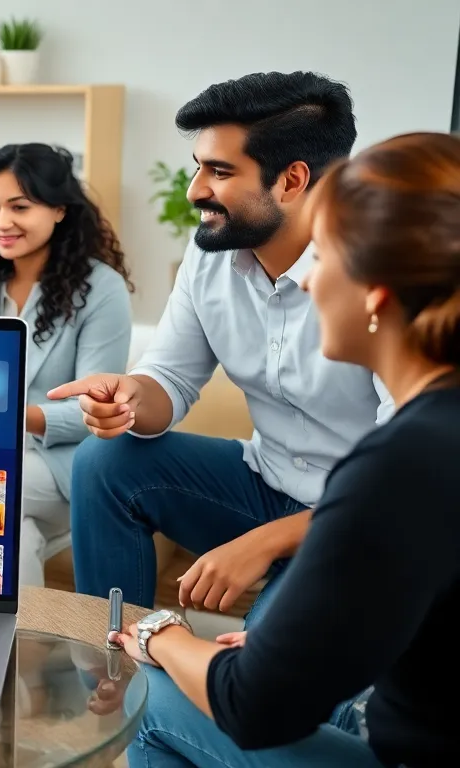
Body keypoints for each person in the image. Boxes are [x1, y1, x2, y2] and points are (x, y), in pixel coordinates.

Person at [112, 131, 460, 768]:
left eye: (324, 257)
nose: (307, 281)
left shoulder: (399, 463)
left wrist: (158, 635)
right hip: (395, 698)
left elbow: (252, 706)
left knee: (149, 694)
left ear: (377, 296)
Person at [49, 72, 392, 620]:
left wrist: (264, 544)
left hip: (359, 520)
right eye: (198, 167)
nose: (194, 190)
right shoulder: (210, 256)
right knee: (105, 460)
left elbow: (402, 483)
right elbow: (171, 377)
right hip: (264, 483)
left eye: (220, 171)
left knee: (263, 663)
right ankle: (109, 656)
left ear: (292, 180)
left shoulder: (381, 277)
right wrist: (130, 397)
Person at [0, 143, 133, 588]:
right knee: (15, 532)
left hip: (62, 466)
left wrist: (12, 416)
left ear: (60, 209)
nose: (2, 222)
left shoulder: (100, 289)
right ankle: (12, 638)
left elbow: (95, 408)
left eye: (20, 207)